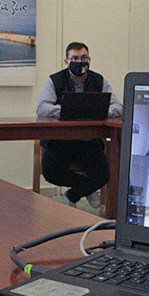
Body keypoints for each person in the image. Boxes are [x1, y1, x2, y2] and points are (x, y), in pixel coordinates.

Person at [36, 42, 122, 208]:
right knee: (50, 172)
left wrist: (98, 110)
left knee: (103, 175)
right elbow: (42, 108)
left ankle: (72, 195)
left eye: (83, 58)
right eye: (74, 58)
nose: (79, 62)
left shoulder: (99, 80)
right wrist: (68, 110)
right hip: (61, 140)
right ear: (66, 61)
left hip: (89, 141)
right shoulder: (55, 80)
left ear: (89, 60)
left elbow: (118, 107)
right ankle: (87, 189)